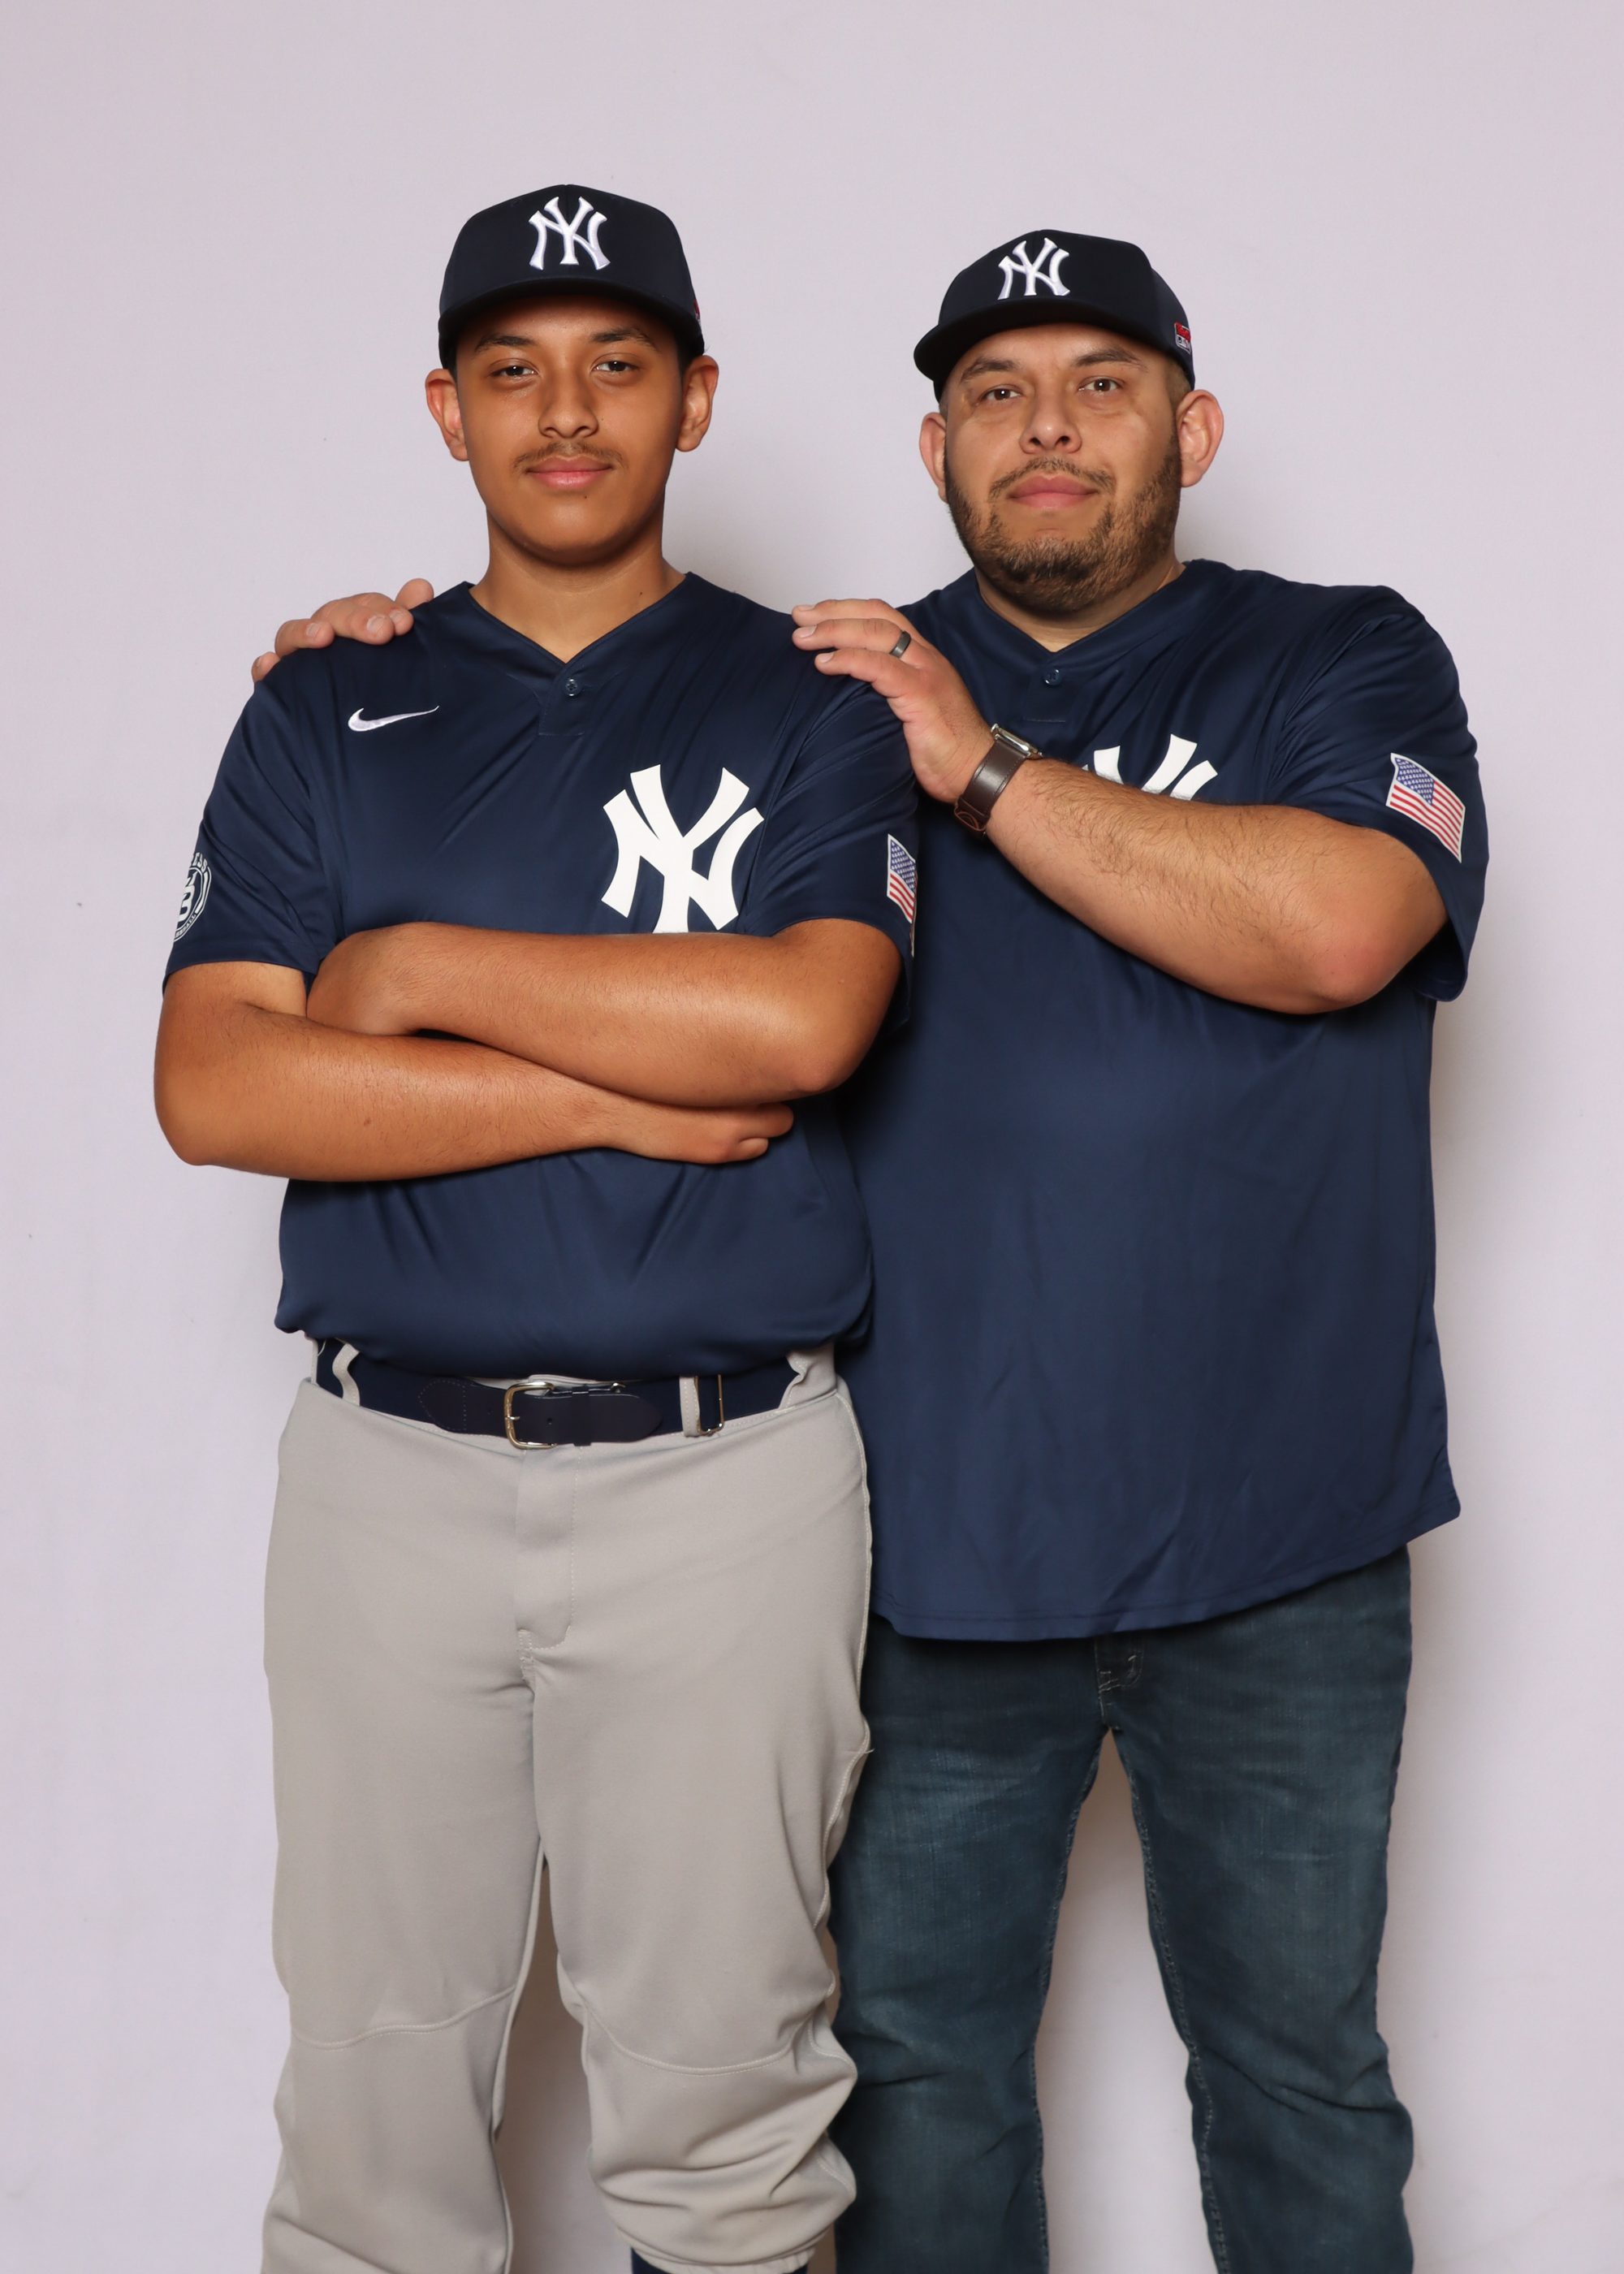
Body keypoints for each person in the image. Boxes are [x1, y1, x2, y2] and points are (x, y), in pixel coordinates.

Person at [260, 229, 1485, 2274]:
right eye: (996, 393)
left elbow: (1344, 926)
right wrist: (388, 657)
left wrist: (983, 763)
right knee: (913, 2081)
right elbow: (562, 781)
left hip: (1283, 1526)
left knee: (1296, 2074)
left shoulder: (1334, 651)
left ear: (1189, 431)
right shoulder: (809, 688)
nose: (1046, 430)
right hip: (927, 1538)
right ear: (934, 448)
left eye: (1100, 385)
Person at [157, 182, 917, 2274]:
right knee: (372, 2107)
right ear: (447, 409)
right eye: (512, 370)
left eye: (615, 366)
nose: (564, 412)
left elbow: (806, 1019)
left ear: (695, 399)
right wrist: (608, 1092)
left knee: (726, 2097)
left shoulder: (810, 693)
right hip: (387, 1475)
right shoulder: (328, 701)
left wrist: (408, 971)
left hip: (727, 1476)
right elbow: (219, 1084)